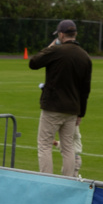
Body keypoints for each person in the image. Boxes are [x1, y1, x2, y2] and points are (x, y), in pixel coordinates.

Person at [28, 19, 92, 176]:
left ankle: (47, 179)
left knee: (44, 145)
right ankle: (68, 180)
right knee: (68, 147)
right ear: (75, 34)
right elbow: (85, 89)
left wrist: (51, 46)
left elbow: (33, 63)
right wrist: (81, 113)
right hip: (73, 108)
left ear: (61, 35)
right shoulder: (85, 56)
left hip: (53, 106)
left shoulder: (56, 51)